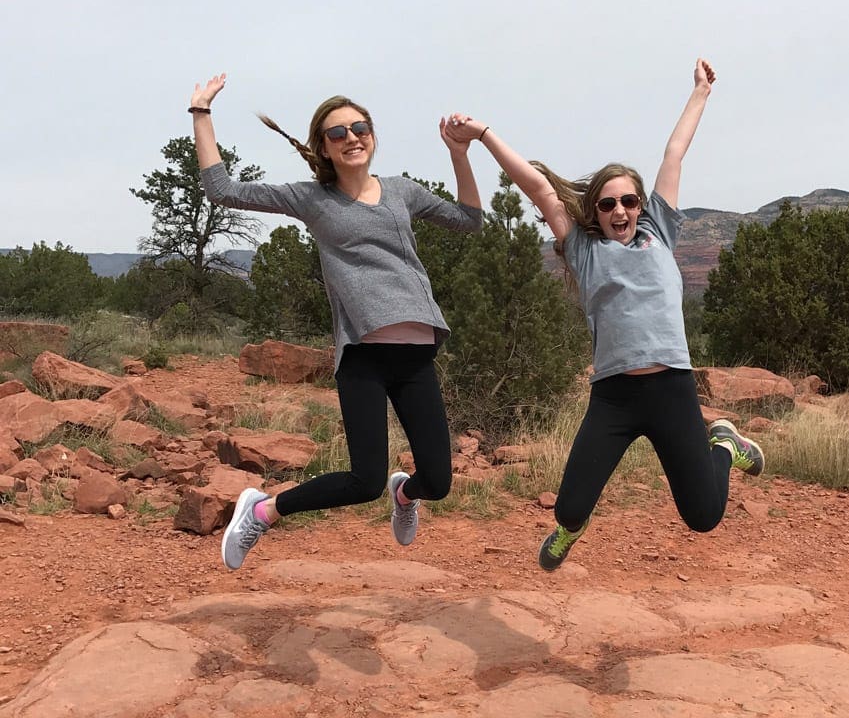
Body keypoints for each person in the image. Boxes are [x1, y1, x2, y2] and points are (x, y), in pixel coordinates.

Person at [443, 58, 764, 571]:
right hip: (615, 396)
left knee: (703, 517)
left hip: (672, 391)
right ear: (594, 211)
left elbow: (674, 152)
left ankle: (724, 444)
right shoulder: (583, 250)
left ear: (641, 205)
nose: (620, 211)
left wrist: (700, 93)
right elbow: (539, 187)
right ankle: (571, 531)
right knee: (570, 509)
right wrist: (482, 134)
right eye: (608, 204)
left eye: (629, 201)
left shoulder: (660, 231)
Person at [188, 74, 483, 570]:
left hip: (416, 355)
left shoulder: (402, 191)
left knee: (438, 481)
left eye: (359, 127)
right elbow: (221, 190)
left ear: (372, 134)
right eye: (337, 133)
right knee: (363, 482)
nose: (351, 138)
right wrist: (201, 113)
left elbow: (470, 220)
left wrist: (459, 153)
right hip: (364, 356)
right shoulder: (312, 199)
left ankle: (405, 495)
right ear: (323, 147)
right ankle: (264, 508)